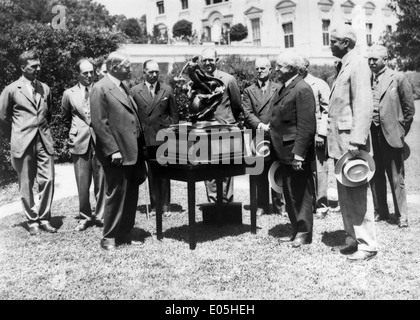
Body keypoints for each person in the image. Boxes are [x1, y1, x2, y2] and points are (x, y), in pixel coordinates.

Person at [328, 24, 378, 261]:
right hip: (341, 143)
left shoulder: (357, 64)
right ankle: (353, 237)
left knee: (357, 192)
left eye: (333, 40)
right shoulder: (343, 65)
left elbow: (364, 104)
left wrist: (357, 141)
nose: (330, 44)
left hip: (351, 143)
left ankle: (367, 244)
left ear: (346, 43)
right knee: (345, 193)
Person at [90, 51, 147, 251]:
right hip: (117, 153)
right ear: (114, 67)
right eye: (126, 65)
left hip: (132, 152)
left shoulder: (124, 86)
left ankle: (124, 232)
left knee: (131, 193)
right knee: (116, 192)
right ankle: (109, 237)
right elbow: (99, 123)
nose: (130, 69)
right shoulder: (100, 88)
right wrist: (113, 149)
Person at [0, 50, 56, 235]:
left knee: (48, 179)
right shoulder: (11, 90)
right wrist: (15, 136)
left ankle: (45, 218)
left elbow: (47, 114)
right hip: (22, 142)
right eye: (33, 67)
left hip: (43, 141)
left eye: (39, 65)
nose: (38, 69)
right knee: (26, 182)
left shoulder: (45, 88)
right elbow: (3, 117)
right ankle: (32, 221)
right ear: (23, 67)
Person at [270, 52, 316, 248]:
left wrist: (299, 154)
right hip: (284, 151)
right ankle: (296, 229)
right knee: (289, 194)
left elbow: (306, 126)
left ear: (290, 68)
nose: (276, 69)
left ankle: (304, 233)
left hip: (295, 152)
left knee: (301, 193)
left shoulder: (302, 89)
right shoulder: (286, 87)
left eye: (279, 66)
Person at [367, 44, 415, 228]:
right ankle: (381, 211)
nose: (371, 62)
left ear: (385, 60)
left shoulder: (398, 78)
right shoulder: (366, 79)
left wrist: (401, 132)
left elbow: (409, 110)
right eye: (369, 59)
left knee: (396, 177)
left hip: (392, 135)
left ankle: (402, 215)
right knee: (375, 174)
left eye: (375, 59)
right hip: (372, 135)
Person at [61, 58, 105, 231]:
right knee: (82, 182)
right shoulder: (69, 93)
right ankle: (85, 216)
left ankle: (101, 215)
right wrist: (75, 132)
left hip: (100, 141)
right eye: (84, 73)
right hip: (79, 142)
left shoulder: (100, 89)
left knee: (101, 181)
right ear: (77, 74)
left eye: (91, 72)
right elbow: (65, 117)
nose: (89, 75)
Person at [131, 60, 179, 217]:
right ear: (143, 72)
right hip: (146, 138)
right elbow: (133, 116)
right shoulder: (135, 91)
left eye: (156, 72)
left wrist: (172, 132)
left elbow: (174, 115)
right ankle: (154, 205)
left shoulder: (167, 89)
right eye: (150, 72)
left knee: (165, 171)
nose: (154, 75)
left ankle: (165, 205)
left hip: (163, 137)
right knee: (151, 172)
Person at [242, 57, 284, 216]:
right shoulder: (248, 91)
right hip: (257, 135)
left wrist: (273, 125)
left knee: (276, 169)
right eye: (257, 69)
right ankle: (261, 204)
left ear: (270, 70)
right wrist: (260, 125)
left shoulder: (279, 88)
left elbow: (282, 110)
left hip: (275, 134)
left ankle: (279, 204)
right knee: (259, 170)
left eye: (263, 68)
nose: (260, 71)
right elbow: (247, 113)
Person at [200, 48, 242, 203]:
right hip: (204, 130)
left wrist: (228, 121)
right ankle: (212, 202)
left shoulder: (228, 79)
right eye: (205, 60)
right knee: (207, 167)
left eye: (210, 60)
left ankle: (227, 202)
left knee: (227, 167)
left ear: (216, 60)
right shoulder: (198, 81)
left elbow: (237, 105)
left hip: (225, 128)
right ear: (201, 61)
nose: (207, 63)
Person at [299, 55, 331, 219]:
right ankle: (307, 204)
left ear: (307, 66)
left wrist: (321, 133)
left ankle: (322, 205)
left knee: (319, 170)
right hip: (300, 136)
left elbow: (327, 111)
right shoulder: (293, 84)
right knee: (301, 169)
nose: (297, 68)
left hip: (317, 135)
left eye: (300, 65)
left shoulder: (319, 84)